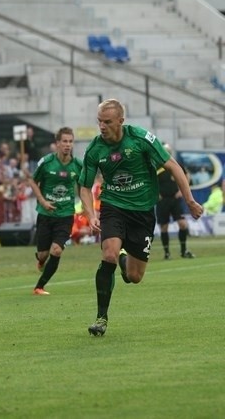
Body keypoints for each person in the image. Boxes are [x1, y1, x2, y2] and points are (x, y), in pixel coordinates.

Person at [79, 99, 203, 337]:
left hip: (143, 211)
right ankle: (101, 318)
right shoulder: (95, 149)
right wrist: (90, 213)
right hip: (113, 206)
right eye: (99, 122)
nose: (102, 126)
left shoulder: (141, 139)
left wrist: (189, 201)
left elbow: (173, 166)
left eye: (107, 122)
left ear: (120, 121)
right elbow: (84, 186)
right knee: (109, 254)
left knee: (134, 277)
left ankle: (125, 259)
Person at [27, 127, 83, 295]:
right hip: (45, 215)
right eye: (64, 141)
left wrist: (87, 209)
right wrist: (43, 201)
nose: (68, 145)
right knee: (43, 254)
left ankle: (39, 286)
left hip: (65, 215)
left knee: (56, 250)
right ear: (57, 143)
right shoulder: (46, 162)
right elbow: (32, 181)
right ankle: (41, 261)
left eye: (70, 141)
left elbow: (83, 187)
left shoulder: (78, 165)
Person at [156, 143, 195, 260]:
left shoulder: (175, 164)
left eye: (168, 151)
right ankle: (167, 253)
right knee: (164, 227)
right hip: (163, 200)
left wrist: (182, 190)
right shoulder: (156, 166)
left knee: (182, 224)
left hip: (175, 198)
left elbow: (187, 175)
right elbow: (149, 180)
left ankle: (184, 251)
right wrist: (156, 194)